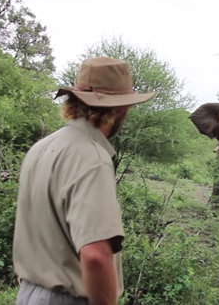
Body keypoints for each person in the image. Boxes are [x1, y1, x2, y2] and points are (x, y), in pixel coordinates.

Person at [12, 57, 156, 305]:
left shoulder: (41, 148)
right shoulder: (92, 157)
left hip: (28, 293)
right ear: (119, 109)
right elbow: (95, 255)